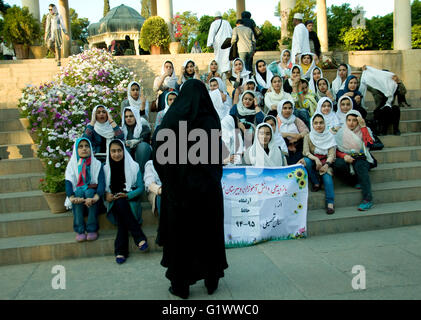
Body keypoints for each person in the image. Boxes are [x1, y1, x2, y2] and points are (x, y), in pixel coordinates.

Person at [153, 79, 228, 299]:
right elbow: (220, 156)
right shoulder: (211, 120)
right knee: (209, 234)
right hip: (207, 192)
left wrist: (170, 178)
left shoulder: (172, 119)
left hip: (179, 193)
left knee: (180, 238)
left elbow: (158, 154)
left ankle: (180, 285)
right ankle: (211, 279)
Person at [104, 139, 149, 264]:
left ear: (124, 151)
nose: (116, 154)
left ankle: (121, 251)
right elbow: (103, 189)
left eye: (119, 151)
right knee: (119, 203)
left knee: (121, 203)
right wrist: (106, 195)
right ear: (109, 152)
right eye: (113, 151)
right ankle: (138, 236)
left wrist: (128, 195)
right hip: (113, 202)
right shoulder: (105, 169)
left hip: (130, 199)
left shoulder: (134, 167)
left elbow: (140, 188)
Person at [334, 110, 376, 211]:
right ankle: (354, 181)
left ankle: (367, 199)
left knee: (360, 165)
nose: (351, 123)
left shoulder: (364, 130)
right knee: (337, 164)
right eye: (349, 120)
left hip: (361, 156)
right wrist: (344, 156)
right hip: (346, 157)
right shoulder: (341, 132)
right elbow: (335, 149)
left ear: (358, 121)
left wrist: (363, 127)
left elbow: (369, 144)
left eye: (354, 120)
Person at [65, 138, 105, 242]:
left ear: (91, 148)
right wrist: (72, 197)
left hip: (94, 198)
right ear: (76, 149)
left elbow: (101, 183)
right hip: (78, 197)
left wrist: (95, 198)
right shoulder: (72, 164)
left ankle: (92, 228)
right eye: (80, 146)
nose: (84, 149)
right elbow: (68, 182)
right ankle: (80, 230)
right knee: (78, 192)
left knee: (89, 192)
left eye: (87, 146)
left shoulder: (97, 164)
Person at [301, 113, 336, 214]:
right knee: (306, 161)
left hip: (326, 163)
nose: (318, 125)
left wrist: (326, 165)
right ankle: (316, 182)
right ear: (312, 125)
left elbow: (331, 154)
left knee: (327, 178)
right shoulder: (308, 137)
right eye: (315, 123)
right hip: (313, 161)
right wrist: (316, 159)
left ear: (325, 124)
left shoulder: (330, 136)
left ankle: (330, 203)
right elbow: (306, 152)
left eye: (321, 123)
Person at [359, 65, 401, 136]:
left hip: (390, 109)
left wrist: (398, 82)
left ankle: (396, 129)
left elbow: (403, 92)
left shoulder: (394, 86)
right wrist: (363, 71)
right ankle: (383, 130)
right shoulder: (375, 88)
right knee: (385, 109)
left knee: (396, 108)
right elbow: (365, 81)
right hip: (379, 110)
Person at [277, 100, 309, 165]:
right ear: (280, 109)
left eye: (290, 108)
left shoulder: (295, 119)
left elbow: (306, 131)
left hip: (297, 146)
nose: (288, 110)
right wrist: (288, 135)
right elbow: (275, 134)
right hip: (283, 147)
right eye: (285, 108)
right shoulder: (276, 120)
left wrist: (298, 136)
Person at [121, 107, 152, 174]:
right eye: (126, 117)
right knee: (124, 147)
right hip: (129, 153)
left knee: (143, 146)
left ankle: (139, 174)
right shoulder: (123, 129)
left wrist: (134, 141)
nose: (128, 118)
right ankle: (128, 174)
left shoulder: (143, 127)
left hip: (141, 153)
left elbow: (145, 138)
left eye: (131, 116)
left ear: (136, 116)